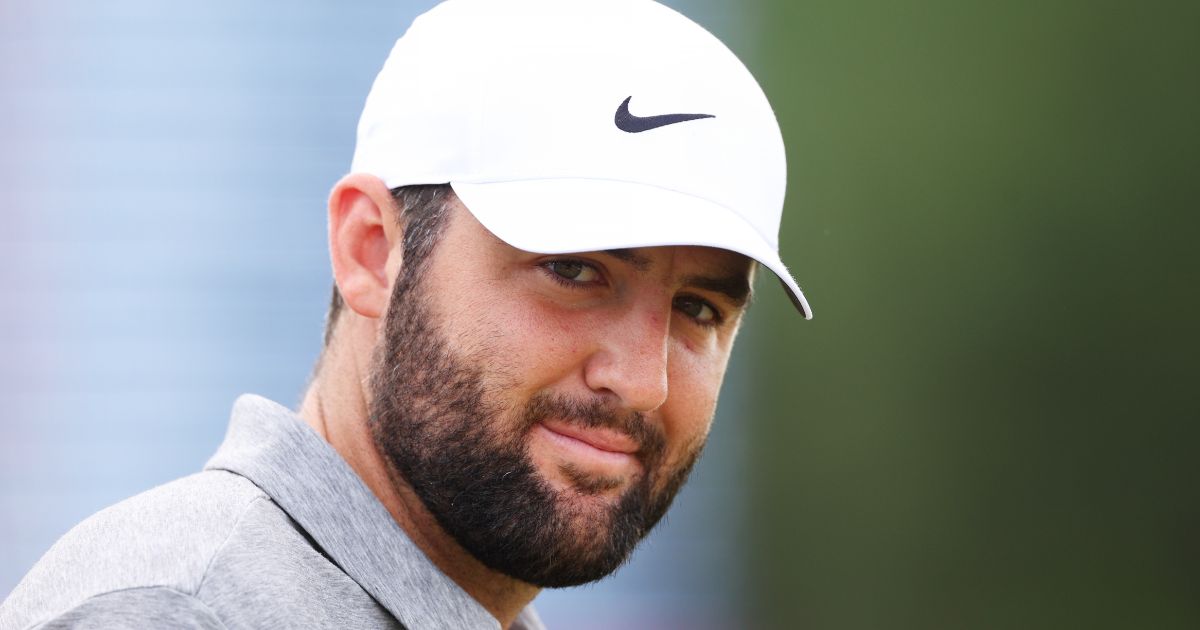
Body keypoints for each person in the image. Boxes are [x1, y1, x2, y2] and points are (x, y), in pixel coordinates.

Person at [0, 0, 812, 628]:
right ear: (371, 252)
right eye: (573, 270)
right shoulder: (180, 611)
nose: (640, 381)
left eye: (698, 308)